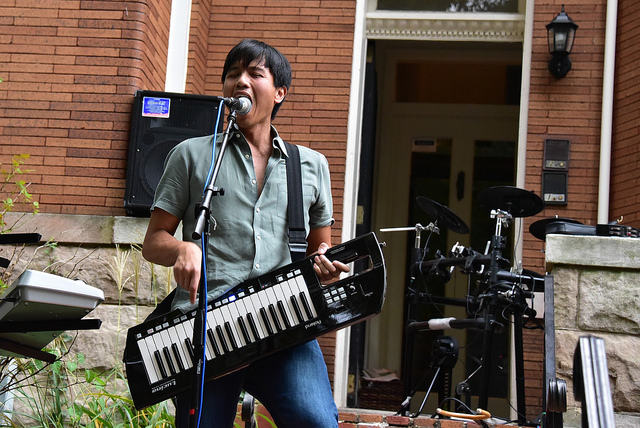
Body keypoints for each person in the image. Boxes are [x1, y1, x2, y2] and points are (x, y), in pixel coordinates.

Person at [141, 38, 349, 427]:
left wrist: (324, 265)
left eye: (255, 74)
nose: (240, 81)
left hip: (286, 319)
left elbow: (319, 248)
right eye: (233, 74)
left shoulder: (312, 165)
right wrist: (182, 249)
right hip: (208, 324)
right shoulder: (191, 155)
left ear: (279, 92)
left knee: (316, 421)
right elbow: (153, 241)